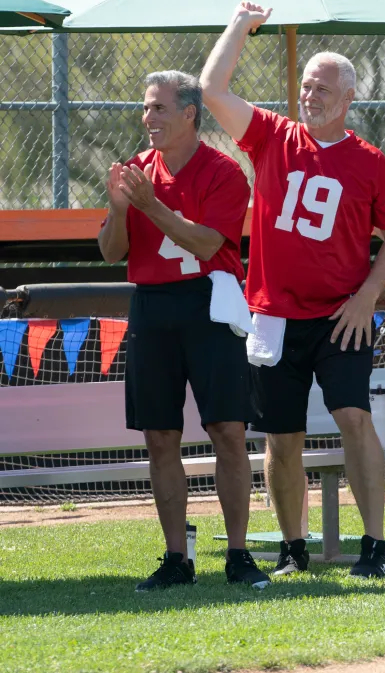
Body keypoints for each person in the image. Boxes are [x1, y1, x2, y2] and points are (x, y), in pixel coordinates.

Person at [200, 2, 385, 579]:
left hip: (341, 316)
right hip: (272, 313)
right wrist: (240, 26)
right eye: (306, 85)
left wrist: (368, 296)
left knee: (353, 418)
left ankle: (374, 545)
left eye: (322, 88)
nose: (310, 95)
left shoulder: (369, 162)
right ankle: (294, 547)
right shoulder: (272, 136)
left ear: (347, 99)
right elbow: (212, 89)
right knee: (281, 438)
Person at [98, 70, 269, 591]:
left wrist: (149, 203)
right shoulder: (134, 171)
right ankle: (177, 558)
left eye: (159, 108)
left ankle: (237, 554)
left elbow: (204, 244)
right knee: (159, 435)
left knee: (227, 431)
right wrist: (121, 206)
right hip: (152, 306)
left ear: (190, 113)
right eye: (146, 108)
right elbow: (111, 252)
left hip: (208, 306)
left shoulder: (222, 172)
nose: (148, 118)